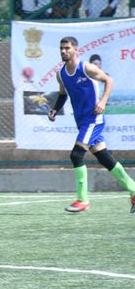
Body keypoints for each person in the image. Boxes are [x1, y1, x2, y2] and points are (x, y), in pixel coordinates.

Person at [46, 39, 135, 214]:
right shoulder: (61, 74)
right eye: (61, 49)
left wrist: (102, 102)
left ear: (75, 50)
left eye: (67, 48)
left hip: (93, 119)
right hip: (81, 122)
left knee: (76, 154)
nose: (63, 51)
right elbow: (63, 94)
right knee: (104, 158)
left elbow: (109, 80)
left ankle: (82, 200)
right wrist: (55, 110)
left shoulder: (86, 68)